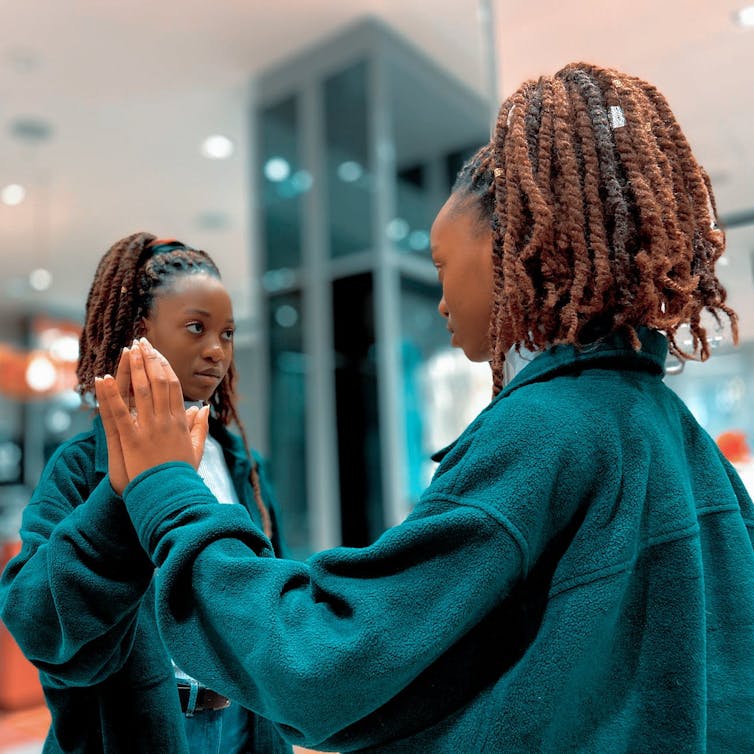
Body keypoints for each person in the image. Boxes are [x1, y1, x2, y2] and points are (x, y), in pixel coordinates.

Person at [99, 62, 754, 751]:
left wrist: (166, 491)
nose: (440, 300)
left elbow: (324, 664)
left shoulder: (548, 431)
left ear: (512, 249)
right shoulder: (673, 434)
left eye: (441, 264)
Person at [0, 234, 292, 754]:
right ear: (141, 334)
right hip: (131, 733)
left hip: (245, 728)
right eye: (196, 327)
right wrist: (117, 497)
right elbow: (36, 623)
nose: (216, 351)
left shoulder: (245, 467)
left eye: (227, 334)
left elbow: (267, 603)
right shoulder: (81, 467)